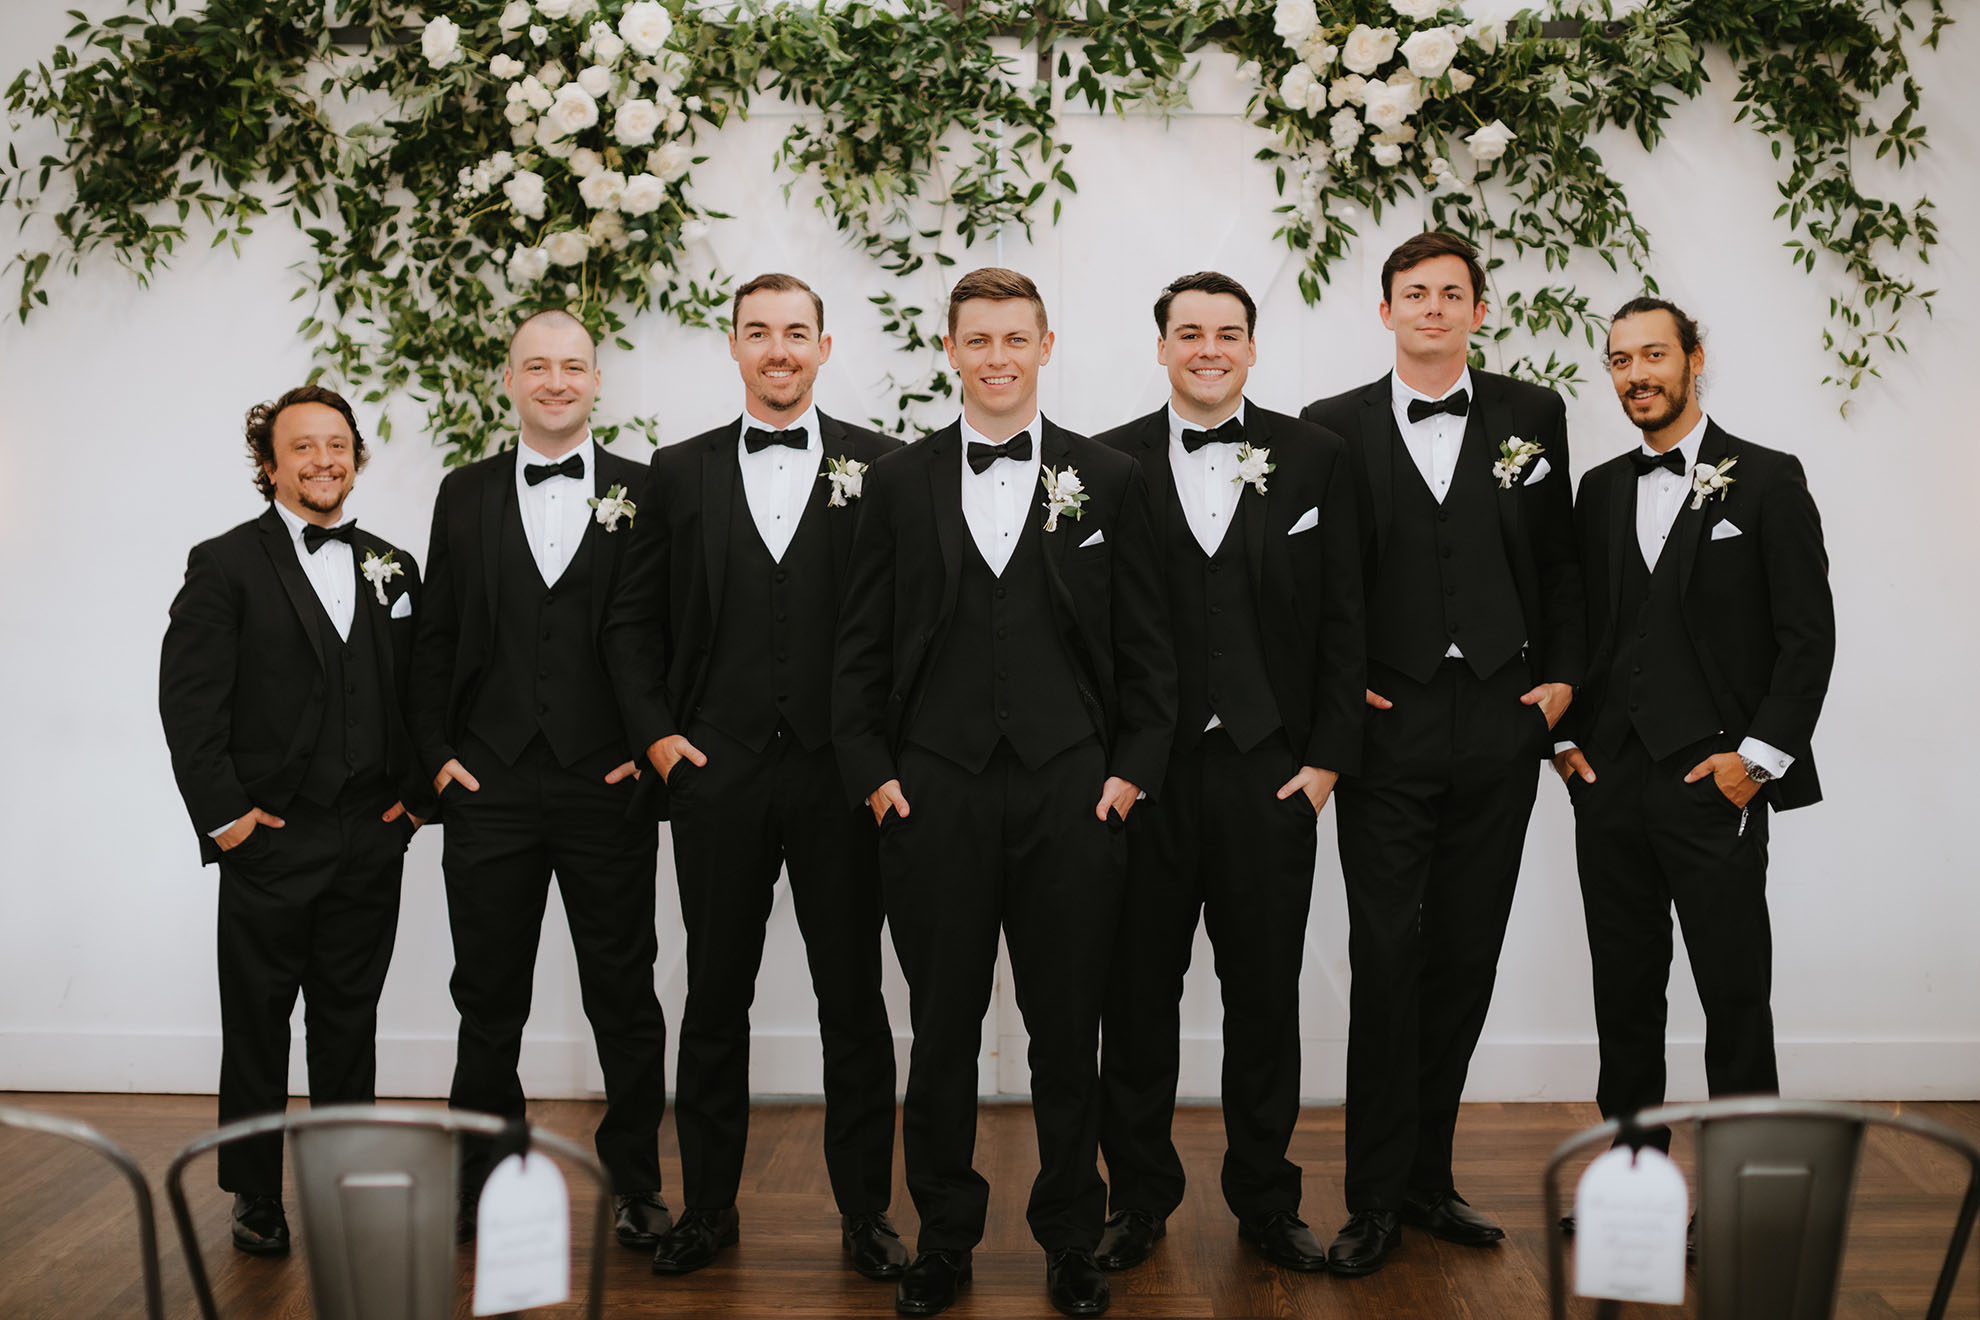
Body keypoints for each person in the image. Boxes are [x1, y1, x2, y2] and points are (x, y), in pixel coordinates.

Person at [833, 267, 1176, 1318]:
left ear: (1045, 345)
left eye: (1014, 338)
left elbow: (1149, 653)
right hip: (932, 795)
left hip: (1073, 796)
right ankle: (944, 1239)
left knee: (1069, 1030)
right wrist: (878, 781)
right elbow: (857, 652)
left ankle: (1072, 1238)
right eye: (977, 339)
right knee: (939, 1033)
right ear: (951, 349)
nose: (996, 357)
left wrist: (1129, 776)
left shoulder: (1109, 478)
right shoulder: (897, 482)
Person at [602, 273, 905, 1279]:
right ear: (732, 345)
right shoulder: (675, 475)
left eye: (796, 333)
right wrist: (659, 740)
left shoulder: (885, 467)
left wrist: (884, 756)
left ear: (827, 346)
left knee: (852, 999)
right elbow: (632, 626)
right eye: (759, 333)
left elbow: (914, 627)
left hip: (841, 780)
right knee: (714, 998)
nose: (778, 350)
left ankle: (868, 1217)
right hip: (716, 777)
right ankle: (709, 1208)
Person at [1300, 231, 1584, 1275]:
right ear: (1384, 313)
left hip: (1501, 724)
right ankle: (1372, 1196)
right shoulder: (1331, 428)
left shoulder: (1531, 415)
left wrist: (1560, 678)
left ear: (1477, 311)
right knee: (1386, 960)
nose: (1432, 308)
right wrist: (1339, 692)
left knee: (1465, 957)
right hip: (1386, 733)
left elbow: (1560, 559)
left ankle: (1430, 1177)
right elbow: (1318, 583)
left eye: (1450, 293)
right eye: (1413, 294)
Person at [1092, 272, 1363, 1275]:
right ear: (1161, 347)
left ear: (1253, 348)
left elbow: (1346, 617)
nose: (1210, 348)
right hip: (1145, 780)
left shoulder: (1317, 458)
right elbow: (1085, 628)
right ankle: (1139, 1198)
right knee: (1136, 996)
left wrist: (1327, 762)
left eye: (1229, 333)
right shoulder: (1106, 461)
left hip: (1270, 775)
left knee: (1264, 997)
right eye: (1190, 332)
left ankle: (1265, 1198)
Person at [408, 309, 670, 1247]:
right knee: (486, 994)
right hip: (491, 786)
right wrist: (437, 757)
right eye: (537, 366)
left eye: (573, 366)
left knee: (624, 993)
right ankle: (484, 1175)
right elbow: (435, 636)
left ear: (597, 380)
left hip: (608, 784)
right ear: (509, 380)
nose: (555, 381)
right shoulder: (463, 492)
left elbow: (669, 637)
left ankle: (636, 1182)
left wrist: (648, 750)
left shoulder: (648, 490)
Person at [1555, 296, 1832, 1142]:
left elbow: (1807, 637)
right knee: (1624, 991)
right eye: (1620, 361)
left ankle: (1742, 1186)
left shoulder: (1769, 477)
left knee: (1734, 989)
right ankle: (1630, 1176)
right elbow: (1576, 626)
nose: (1637, 374)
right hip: (1609, 782)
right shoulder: (1600, 490)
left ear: (1693, 359)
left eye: (1653, 355)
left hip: (1717, 780)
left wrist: (1755, 763)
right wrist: (1566, 744)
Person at [160, 385, 429, 1255]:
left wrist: (415, 802)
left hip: (367, 836)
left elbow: (423, 692)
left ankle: (345, 1178)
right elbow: (189, 705)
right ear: (270, 465)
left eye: (338, 444)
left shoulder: (394, 565)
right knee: (258, 1022)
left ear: (357, 455)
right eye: (303, 447)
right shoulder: (225, 564)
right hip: (269, 836)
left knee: (351, 1020)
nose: (324, 460)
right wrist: (228, 819)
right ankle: (255, 1194)